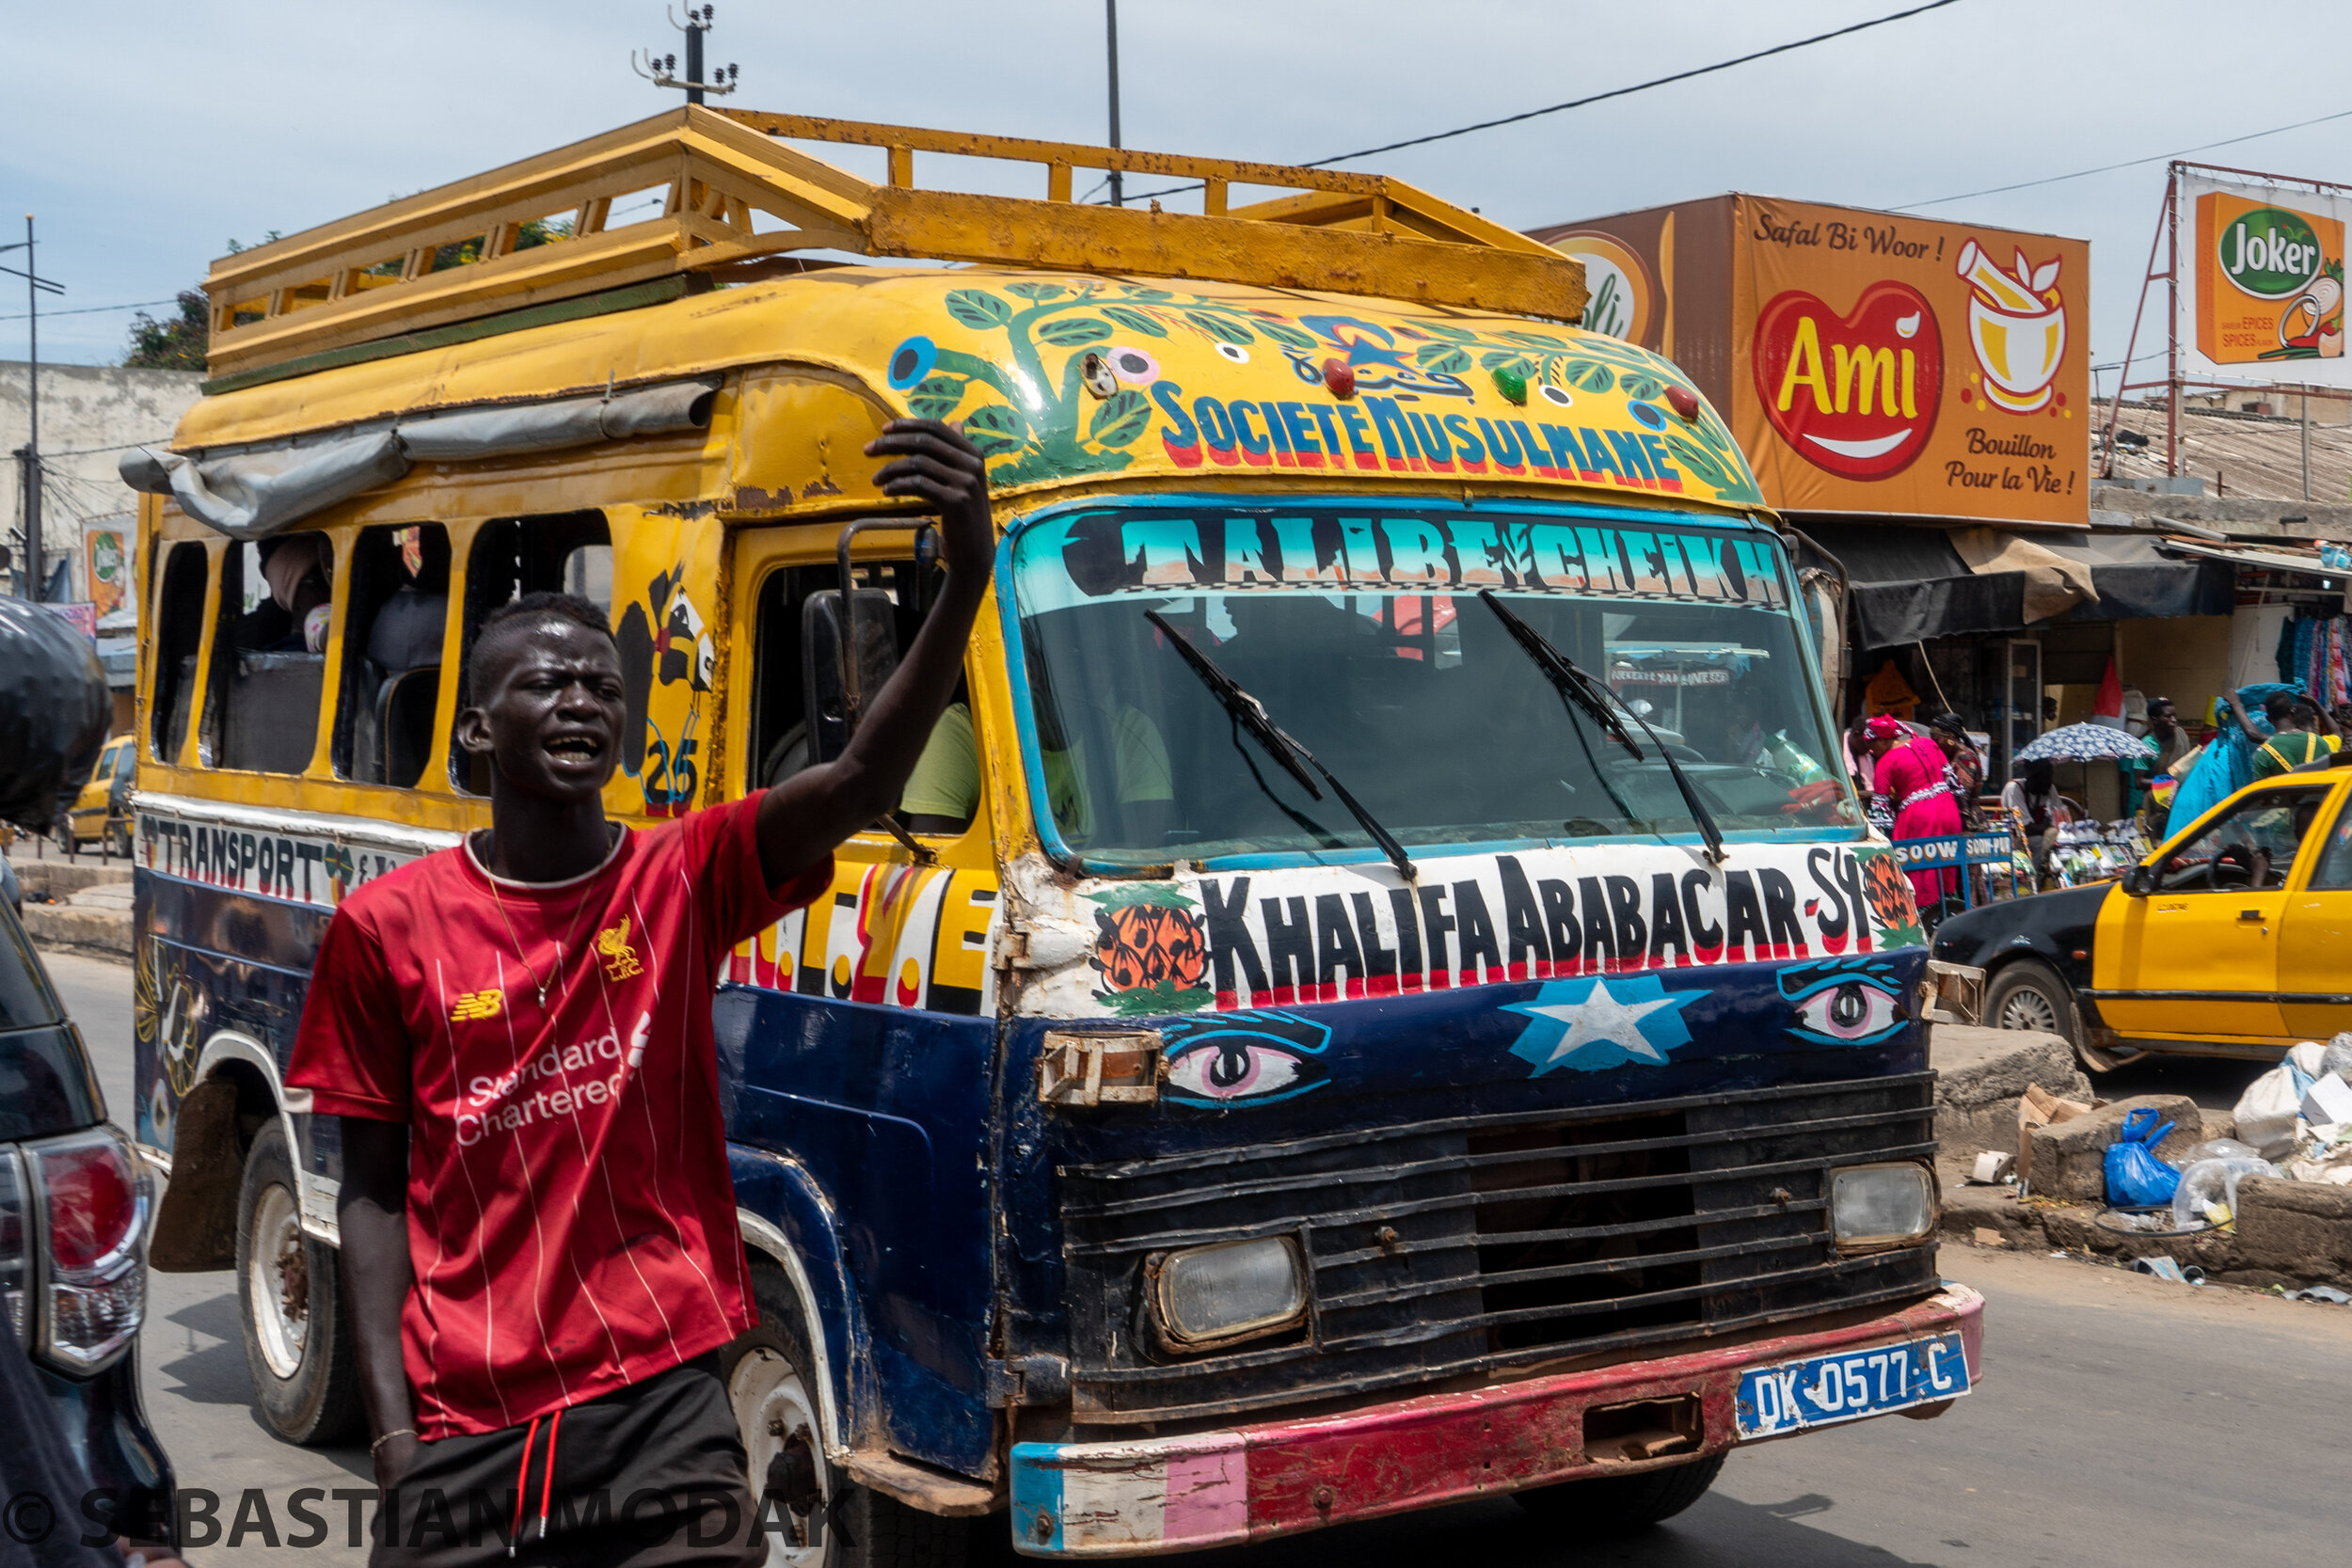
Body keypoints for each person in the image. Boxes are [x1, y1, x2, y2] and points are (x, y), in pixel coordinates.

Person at [288, 420, 993, 1567]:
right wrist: (394, 1436)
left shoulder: (681, 875)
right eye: (546, 682)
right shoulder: (387, 926)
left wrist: (967, 573)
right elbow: (367, 1194)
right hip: (468, 1419)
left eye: (601, 687)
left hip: (662, 1398)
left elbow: (861, 777)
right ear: (476, 726)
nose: (579, 701)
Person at [1864, 715, 1962, 911]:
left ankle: (1924, 914)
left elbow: (1880, 815)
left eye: (1873, 744)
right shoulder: (1928, 743)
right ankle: (1947, 907)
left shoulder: (1885, 763)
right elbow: (1954, 784)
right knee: (1945, 864)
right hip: (1949, 809)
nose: (1871, 750)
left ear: (1884, 739)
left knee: (1920, 870)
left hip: (1919, 817)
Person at [2228, 689, 2339, 778]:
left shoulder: (2264, 753)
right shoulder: (2321, 743)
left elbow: (2264, 798)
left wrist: (2236, 704)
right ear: (2292, 711)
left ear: (2268, 719)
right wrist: (2316, 705)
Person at [2002, 758, 2070, 886]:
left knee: (2065, 842)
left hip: (2037, 836)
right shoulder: (2014, 788)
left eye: (2050, 778)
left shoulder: (2048, 788)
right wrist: (2048, 826)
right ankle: (2033, 884)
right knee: (2039, 841)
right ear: (2031, 777)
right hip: (2013, 838)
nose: (2048, 783)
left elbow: (2061, 819)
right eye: (2044, 778)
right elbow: (2025, 828)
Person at [2146, 697, 2193, 775]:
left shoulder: (2180, 734)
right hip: (2158, 787)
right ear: (2155, 720)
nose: (2174, 720)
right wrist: (2169, 782)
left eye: (2175, 716)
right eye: (2169, 716)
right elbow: (2139, 782)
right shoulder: (2147, 744)